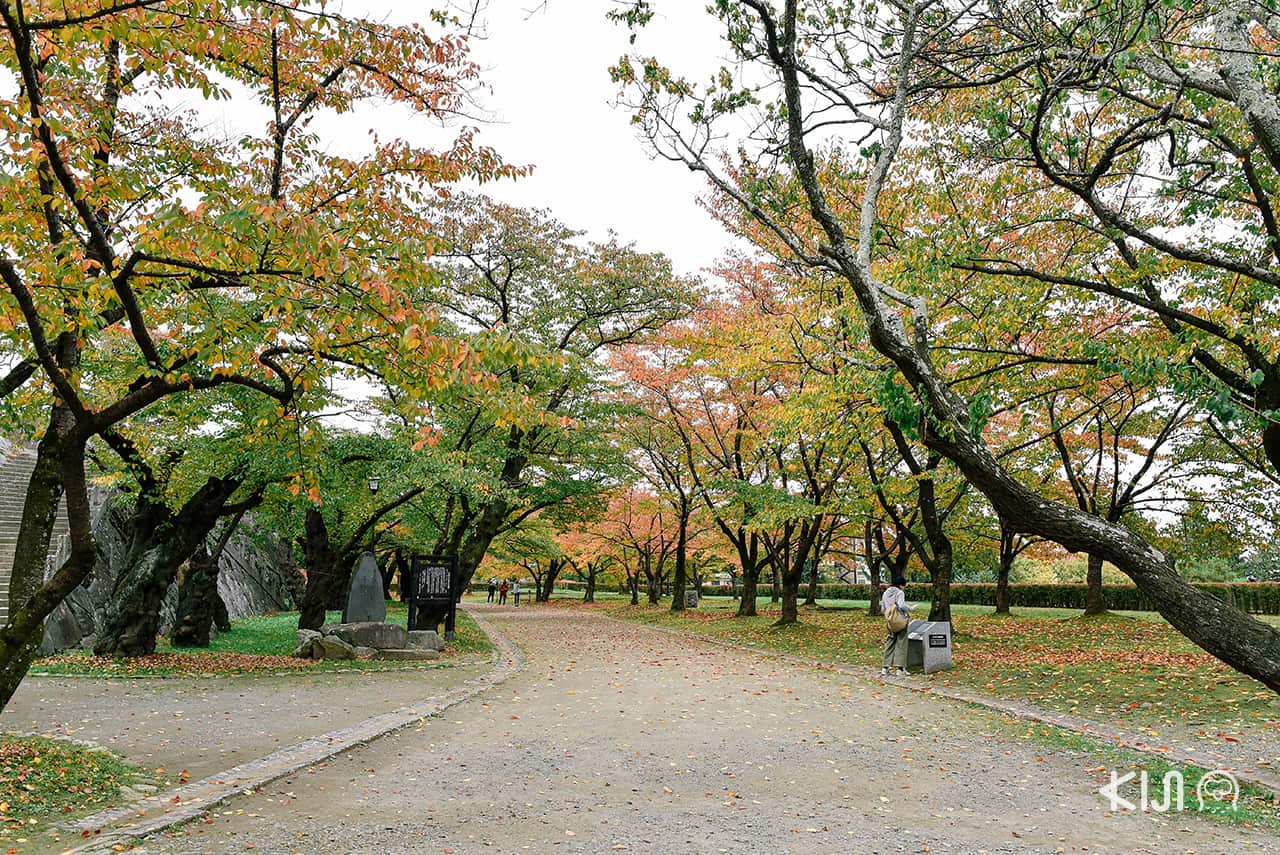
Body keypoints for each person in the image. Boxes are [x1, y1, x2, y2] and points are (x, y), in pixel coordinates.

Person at [880, 575, 912, 677]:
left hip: (890, 621)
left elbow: (883, 608)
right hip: (900, 621)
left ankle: (885, 668)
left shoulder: (886, 593)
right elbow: (901, 605)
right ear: (901, 585)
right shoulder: (900, 592)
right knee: (902, 643)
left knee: (890, 642)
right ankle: (900, 669)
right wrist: (910, 608)